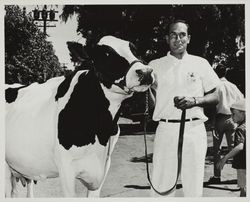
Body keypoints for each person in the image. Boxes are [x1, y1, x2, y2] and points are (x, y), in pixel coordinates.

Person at [149, 19, 220, 197]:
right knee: (161, 185)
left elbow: (216, 96)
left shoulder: (200, 63)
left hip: (194, 130)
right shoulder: (154, 65)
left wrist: (194, 101)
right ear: (167, 38)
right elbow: (150, 100)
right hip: (165, 129)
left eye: (182, 35)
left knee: (193, 186)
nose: (178, 39)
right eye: (173, 34)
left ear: (188, 38)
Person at [208, 64, 244, 184]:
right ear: (226, 73)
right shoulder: (233, 86)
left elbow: (213, 105)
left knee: (217, 150)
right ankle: (240, 178)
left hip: (219, 118)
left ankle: (217, 176)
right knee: (234, 148)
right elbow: (242, 99)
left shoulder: (215, 86)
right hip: (232, 117)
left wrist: (212, 123)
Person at [216, 99, 246, 197]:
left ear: (243, 113)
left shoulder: (240, 129)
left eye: (233, 114)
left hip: (242, 165)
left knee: (244, 191)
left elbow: (240, 146)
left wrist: (225, 158)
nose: (231, 117)